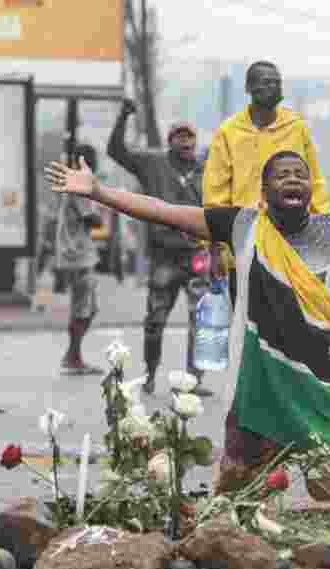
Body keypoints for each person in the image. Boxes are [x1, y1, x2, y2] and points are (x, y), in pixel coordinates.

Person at [46, 150, 330, 493]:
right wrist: (100, 192)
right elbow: (165, 211)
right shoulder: (241, 224)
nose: (293, 179)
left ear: (310, 189)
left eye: (301, 174)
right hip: (259, 383)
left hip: (324, 383)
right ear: (265, 190)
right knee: (237, 496)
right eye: (281, 174)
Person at [203, 60, 330, 304]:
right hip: (242, 244)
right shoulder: (228, 132)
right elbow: (216, 193)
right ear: (249, 88)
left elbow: (314, 181)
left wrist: (325, 229)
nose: (274, 86)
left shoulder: (296, 127)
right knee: (245, 324)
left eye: (277, 82)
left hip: (292, 243)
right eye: (266, 82)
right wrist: (215, 247)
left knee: (291, 322)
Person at [107, 100, 211, 396]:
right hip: (164, 256)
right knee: (155, 321)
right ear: (169, 142)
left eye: (189, 136)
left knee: (201, 321)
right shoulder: (153, 164)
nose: (185, 141)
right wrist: (123, 116)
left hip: (197, 256)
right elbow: (117, 151)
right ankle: (150, 373)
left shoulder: (208, 169)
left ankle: (194, 380)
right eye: (179, 136)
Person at [46, 143, 105, 374]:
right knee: (83, 308)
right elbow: (92, 218)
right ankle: (73, 357)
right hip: (77, 255)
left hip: (76, 253)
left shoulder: (73, 184)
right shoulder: (80, 185)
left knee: (88, 308)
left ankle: (73, 355)